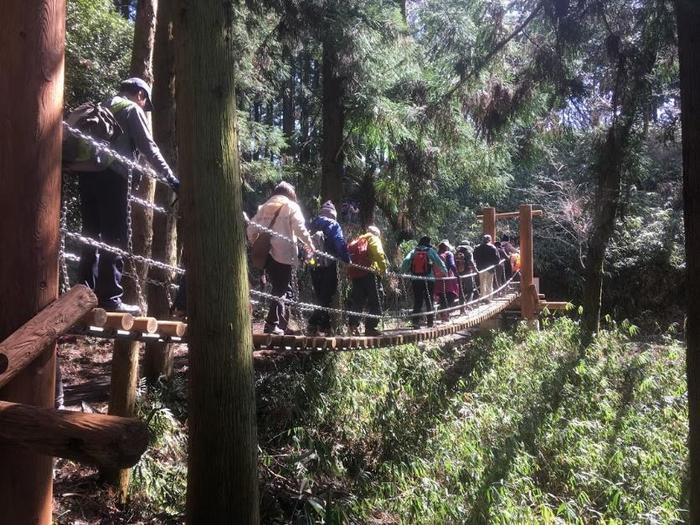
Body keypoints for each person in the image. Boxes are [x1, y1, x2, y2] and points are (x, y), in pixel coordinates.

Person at [75, 77, 179, 314]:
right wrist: (171, 179)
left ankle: (81, 292)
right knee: (115, 236)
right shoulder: (131, 109)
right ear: (140, 95)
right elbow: (148, 148)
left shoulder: (102, 106)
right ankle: (110, 297)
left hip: (86, 174)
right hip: (113, 176)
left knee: (91, 233)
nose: (144, 107)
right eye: (145, 103)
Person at [247, 182, 315, 335]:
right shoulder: (291, 206)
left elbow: (251, 229)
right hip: (283, 254)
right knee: (281, 289)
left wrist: (256, 243)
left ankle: (281, 324)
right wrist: (310, 244)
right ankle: (272, 324)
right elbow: (300, 228)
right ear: (290, 194)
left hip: (266, 255)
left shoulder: (264, 207)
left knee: (282, 287)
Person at [307, 201, 350, 335]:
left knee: (321, 296)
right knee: (326, 296)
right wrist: (347, 259)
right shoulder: (333, 224)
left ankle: (325, 327)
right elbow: (339, 242)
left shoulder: (312, 224)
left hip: (314, 265)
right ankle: (313, 323)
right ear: (333, 215)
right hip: (329, 265)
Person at [347, 225, 387, 336]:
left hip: (357, 274)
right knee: (377, 301)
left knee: (358, 301)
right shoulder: (373, 238)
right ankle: (370, 327)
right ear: (377, 234)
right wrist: (383, 269)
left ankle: (353, 326)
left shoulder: (358, 240)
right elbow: (379, 254)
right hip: (370, 274)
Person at [401, 236, 447, 329]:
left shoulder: (414, 251)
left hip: (416, 279)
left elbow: (406, 261)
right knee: (429, 300)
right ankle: (430, 322)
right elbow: (439, 262)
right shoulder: (430, 251)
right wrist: (445, 272)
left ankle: (415, 322)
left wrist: (402, 273)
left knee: (418, 301)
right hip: (429, 280)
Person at [433, 240, 460, 321]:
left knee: (442, 297)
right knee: (451, 295)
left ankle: (443, 315)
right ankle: (445, 314)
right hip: (448, 279)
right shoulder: (449, 254)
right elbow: (452, 265)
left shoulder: (436, 255)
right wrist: (457, 275)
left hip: (438, 279)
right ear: (446, 247)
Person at [473, 235, 501, 302]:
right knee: (489, 283)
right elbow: (497, 259)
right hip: (490, 268)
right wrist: (495, 264)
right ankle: (488, 298)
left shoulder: (477, 247)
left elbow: (474, 257)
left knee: (482, 283)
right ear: (490, 240)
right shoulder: (493, 247)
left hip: (480, 268)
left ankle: (483, 298)